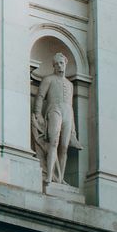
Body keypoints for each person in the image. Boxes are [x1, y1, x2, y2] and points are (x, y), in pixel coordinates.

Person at [32, 52, 80, 186]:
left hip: (68, 113)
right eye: (57, 63)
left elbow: (71, 106)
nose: (60, 66)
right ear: (53, 66)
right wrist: (38, 114)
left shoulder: (70, 84)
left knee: (64, 147)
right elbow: (40, 96)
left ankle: (59, 178)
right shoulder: (48, 79)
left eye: (62, 63)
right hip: (54, 110)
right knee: (53, 142)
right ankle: (49, 175)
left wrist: (73, 130)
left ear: (65, 64)